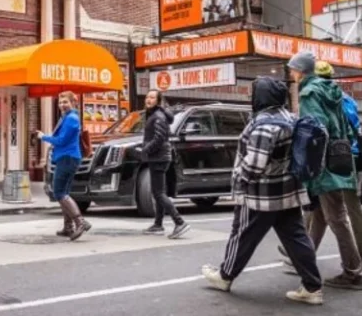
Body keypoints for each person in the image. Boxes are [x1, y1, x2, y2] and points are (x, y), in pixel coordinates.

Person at [202, 77, 323, 305]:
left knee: (242, 236)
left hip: (261, 194)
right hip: (288, 190)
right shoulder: (289, 117)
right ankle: (312, 286)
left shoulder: (265, 124)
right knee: (297, 239)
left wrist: (239, 183)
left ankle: (225, 276)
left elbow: (255, 163)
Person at [281, 61, 362, 275]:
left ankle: (353, 270)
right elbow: (350, 129)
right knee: (324, 213)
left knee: (337, 216)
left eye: (294, 70)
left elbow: (315, 131)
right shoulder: (338, 95)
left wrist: (306, 162)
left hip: (325, 162)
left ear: (304, 72)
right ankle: (306, 260)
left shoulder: (310, 94)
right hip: (344, 157)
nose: (292, 74)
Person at [37, 91, 91, 241]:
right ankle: (68, 227)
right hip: (67, 158)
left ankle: (80, 222)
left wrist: (43, 137)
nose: (62, 105)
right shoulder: (66, 118)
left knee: (59, 192)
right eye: (60, 102)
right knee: (64, 192)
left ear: (73, 102)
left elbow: (61, 141)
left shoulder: (72, 119)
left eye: (65, 102)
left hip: (67, 158)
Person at [138, 90, 191, 239]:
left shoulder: (158, 117)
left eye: (152, 97)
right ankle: (158, 224)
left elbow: (159, 138)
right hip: (160, 157)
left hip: (159, 158)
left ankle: (179, 222)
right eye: (147, 97)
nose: (148, 99)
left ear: (158, 101)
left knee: (158, 193)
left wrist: (146, 149)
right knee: (159, 191)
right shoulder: (154, 114)